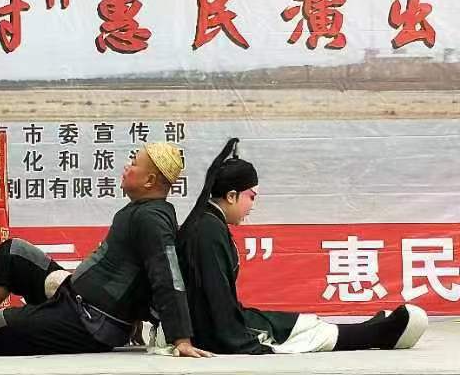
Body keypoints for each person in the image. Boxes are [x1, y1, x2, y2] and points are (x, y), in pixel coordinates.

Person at [0, 142, 211, 357]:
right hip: (71, 293)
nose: (127, 167)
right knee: (12, 253)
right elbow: (137, 276)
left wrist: (181, 339)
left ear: (149, 181)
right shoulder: (140, 210)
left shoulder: (152, 219)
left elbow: (167, 276)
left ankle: (33, 320)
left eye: (134, 164)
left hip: (91, 321)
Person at [150, 137, 427, 355]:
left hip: (210, 323)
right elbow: (214, 301)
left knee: (301, 324)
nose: (252, 206)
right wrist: (235, 336)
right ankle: (377, 334)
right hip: (211, 331)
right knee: (302, 333)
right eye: (251, 197)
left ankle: (372, 328)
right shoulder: (208, 230)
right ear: (232, 196)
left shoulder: (207, 223)